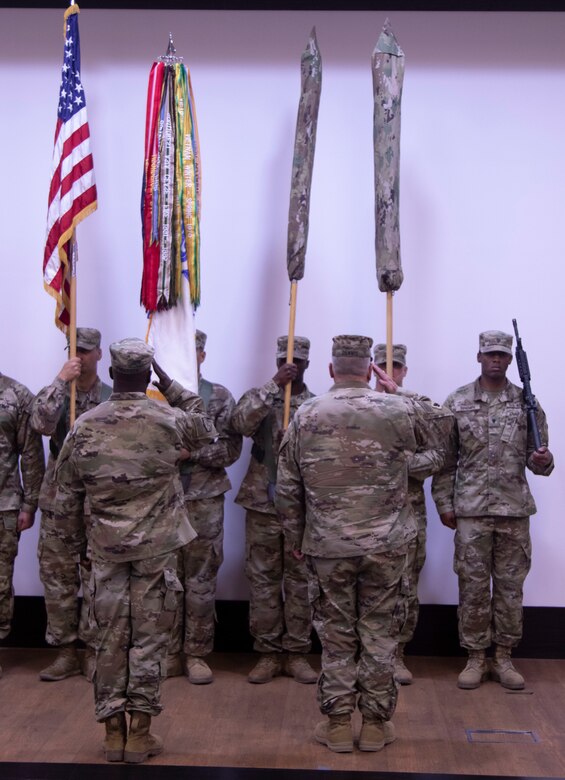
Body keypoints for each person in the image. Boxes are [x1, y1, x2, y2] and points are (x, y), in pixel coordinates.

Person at [52, 338, 217, 763]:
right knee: (148, 641)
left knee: (108, 640)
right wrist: (170, 381)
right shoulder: (170, 420)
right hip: (155, 552)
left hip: (104, 550)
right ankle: (140, 734)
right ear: (148, 377)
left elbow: (64, 496)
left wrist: (73, 551)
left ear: (110, 374)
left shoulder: (85, 424)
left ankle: (112, 735)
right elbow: (207, 422)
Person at [276, 335, 436, 753]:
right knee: (379, 634)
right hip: (386, 545)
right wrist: (400, 391)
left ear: (331, 370)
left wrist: (296, 537)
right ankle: (376, 725)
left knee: (336, 636)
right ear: (370, 370)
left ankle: (338, 724)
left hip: (328, 546)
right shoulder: (396, 409)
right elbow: (445, 426)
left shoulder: (306, 413)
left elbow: (288, 485)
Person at [432, 330, 554, 690]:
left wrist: (543, 459)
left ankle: (503, 656)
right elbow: (445, 460)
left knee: (509, 589)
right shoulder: (457, 402)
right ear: (479, 357)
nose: (496, 360)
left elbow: (541, 461)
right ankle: (474, 657)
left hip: (513, 512)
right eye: (490, 354)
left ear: (510, 359)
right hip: (471, 511)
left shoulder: (526, 403)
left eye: (502, 354)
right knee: (472, 587)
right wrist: (445, 503)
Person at [231, 335, 317, 685]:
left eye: (297, 360)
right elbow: (239, 424)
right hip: (262, 502)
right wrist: (273, 387)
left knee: (300, 583)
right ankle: (267, 653)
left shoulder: (315, 405)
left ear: (308, 364)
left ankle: (296, 652)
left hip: (300, 507)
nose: (291, 364)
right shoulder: (260, 397)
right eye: (285, 359)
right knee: (264, 582)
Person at [31, 327, 111, 683]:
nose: (80, 356)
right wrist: (61, 381)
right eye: (75, 350)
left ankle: (93, 650)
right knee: (58, 577)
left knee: (97, 579)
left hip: (98, 502)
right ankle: (65, 651)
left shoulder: (112, 398)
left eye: (87, 351)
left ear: (99, 355)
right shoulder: (57, 393)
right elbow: (40, 423)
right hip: (60, 501)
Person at [373, 343, 452, 684]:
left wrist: (400, 395)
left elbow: (442, 443)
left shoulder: (415, 409)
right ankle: (370, 653)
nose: (388, 373)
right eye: (381, 367)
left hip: (406, 512)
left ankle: (398, 653)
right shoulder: (358, 407)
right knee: (369, 585)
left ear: (405, 371)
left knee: (405, 585)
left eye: (396, 367)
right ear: (369, 370)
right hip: (364, 514)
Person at [166, 329, 242, 684]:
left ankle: (195, 653)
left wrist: (190, 454)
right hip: (163, 501)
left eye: (193, 350)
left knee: (200, 580)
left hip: (204, 500)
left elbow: (230, 450)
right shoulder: (153, 398)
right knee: (165, 579)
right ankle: (166, 653)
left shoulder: (219, 397)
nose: (187, 355)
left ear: (202, 355)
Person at [0, 371, 45, 677]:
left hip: (3, 505)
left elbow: (30, 454)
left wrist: (30, 504)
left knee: (0, 581)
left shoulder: (16, 395)